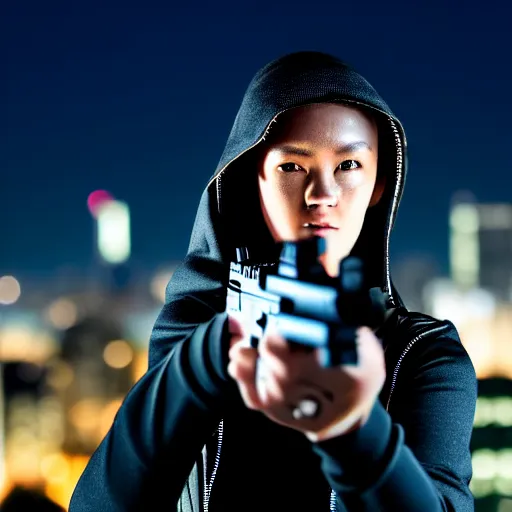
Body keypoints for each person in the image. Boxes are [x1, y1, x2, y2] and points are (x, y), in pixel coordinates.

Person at [69, 51, 477, 511]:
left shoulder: (422, 355)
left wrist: (354, 433)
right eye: (292, 166)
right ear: (252, 178)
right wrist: (210, 357)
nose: (322, 194)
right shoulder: (197, 325)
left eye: (349, 166)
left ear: (379, 182)